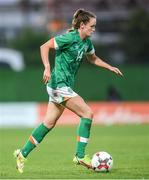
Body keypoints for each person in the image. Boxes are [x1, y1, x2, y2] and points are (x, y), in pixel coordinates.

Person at [14, 9, 123, 173]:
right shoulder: (69, 37)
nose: (94, 29)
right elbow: (44, 46)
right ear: (82, 25)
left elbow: (92, 58)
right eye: (92, 26)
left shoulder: (87, 42)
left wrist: (109, 67)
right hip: (58, 84)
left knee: (48, 124)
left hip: (62, 86)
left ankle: (22, 154)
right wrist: (47, 67)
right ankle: (80, 155)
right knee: (87, 114)